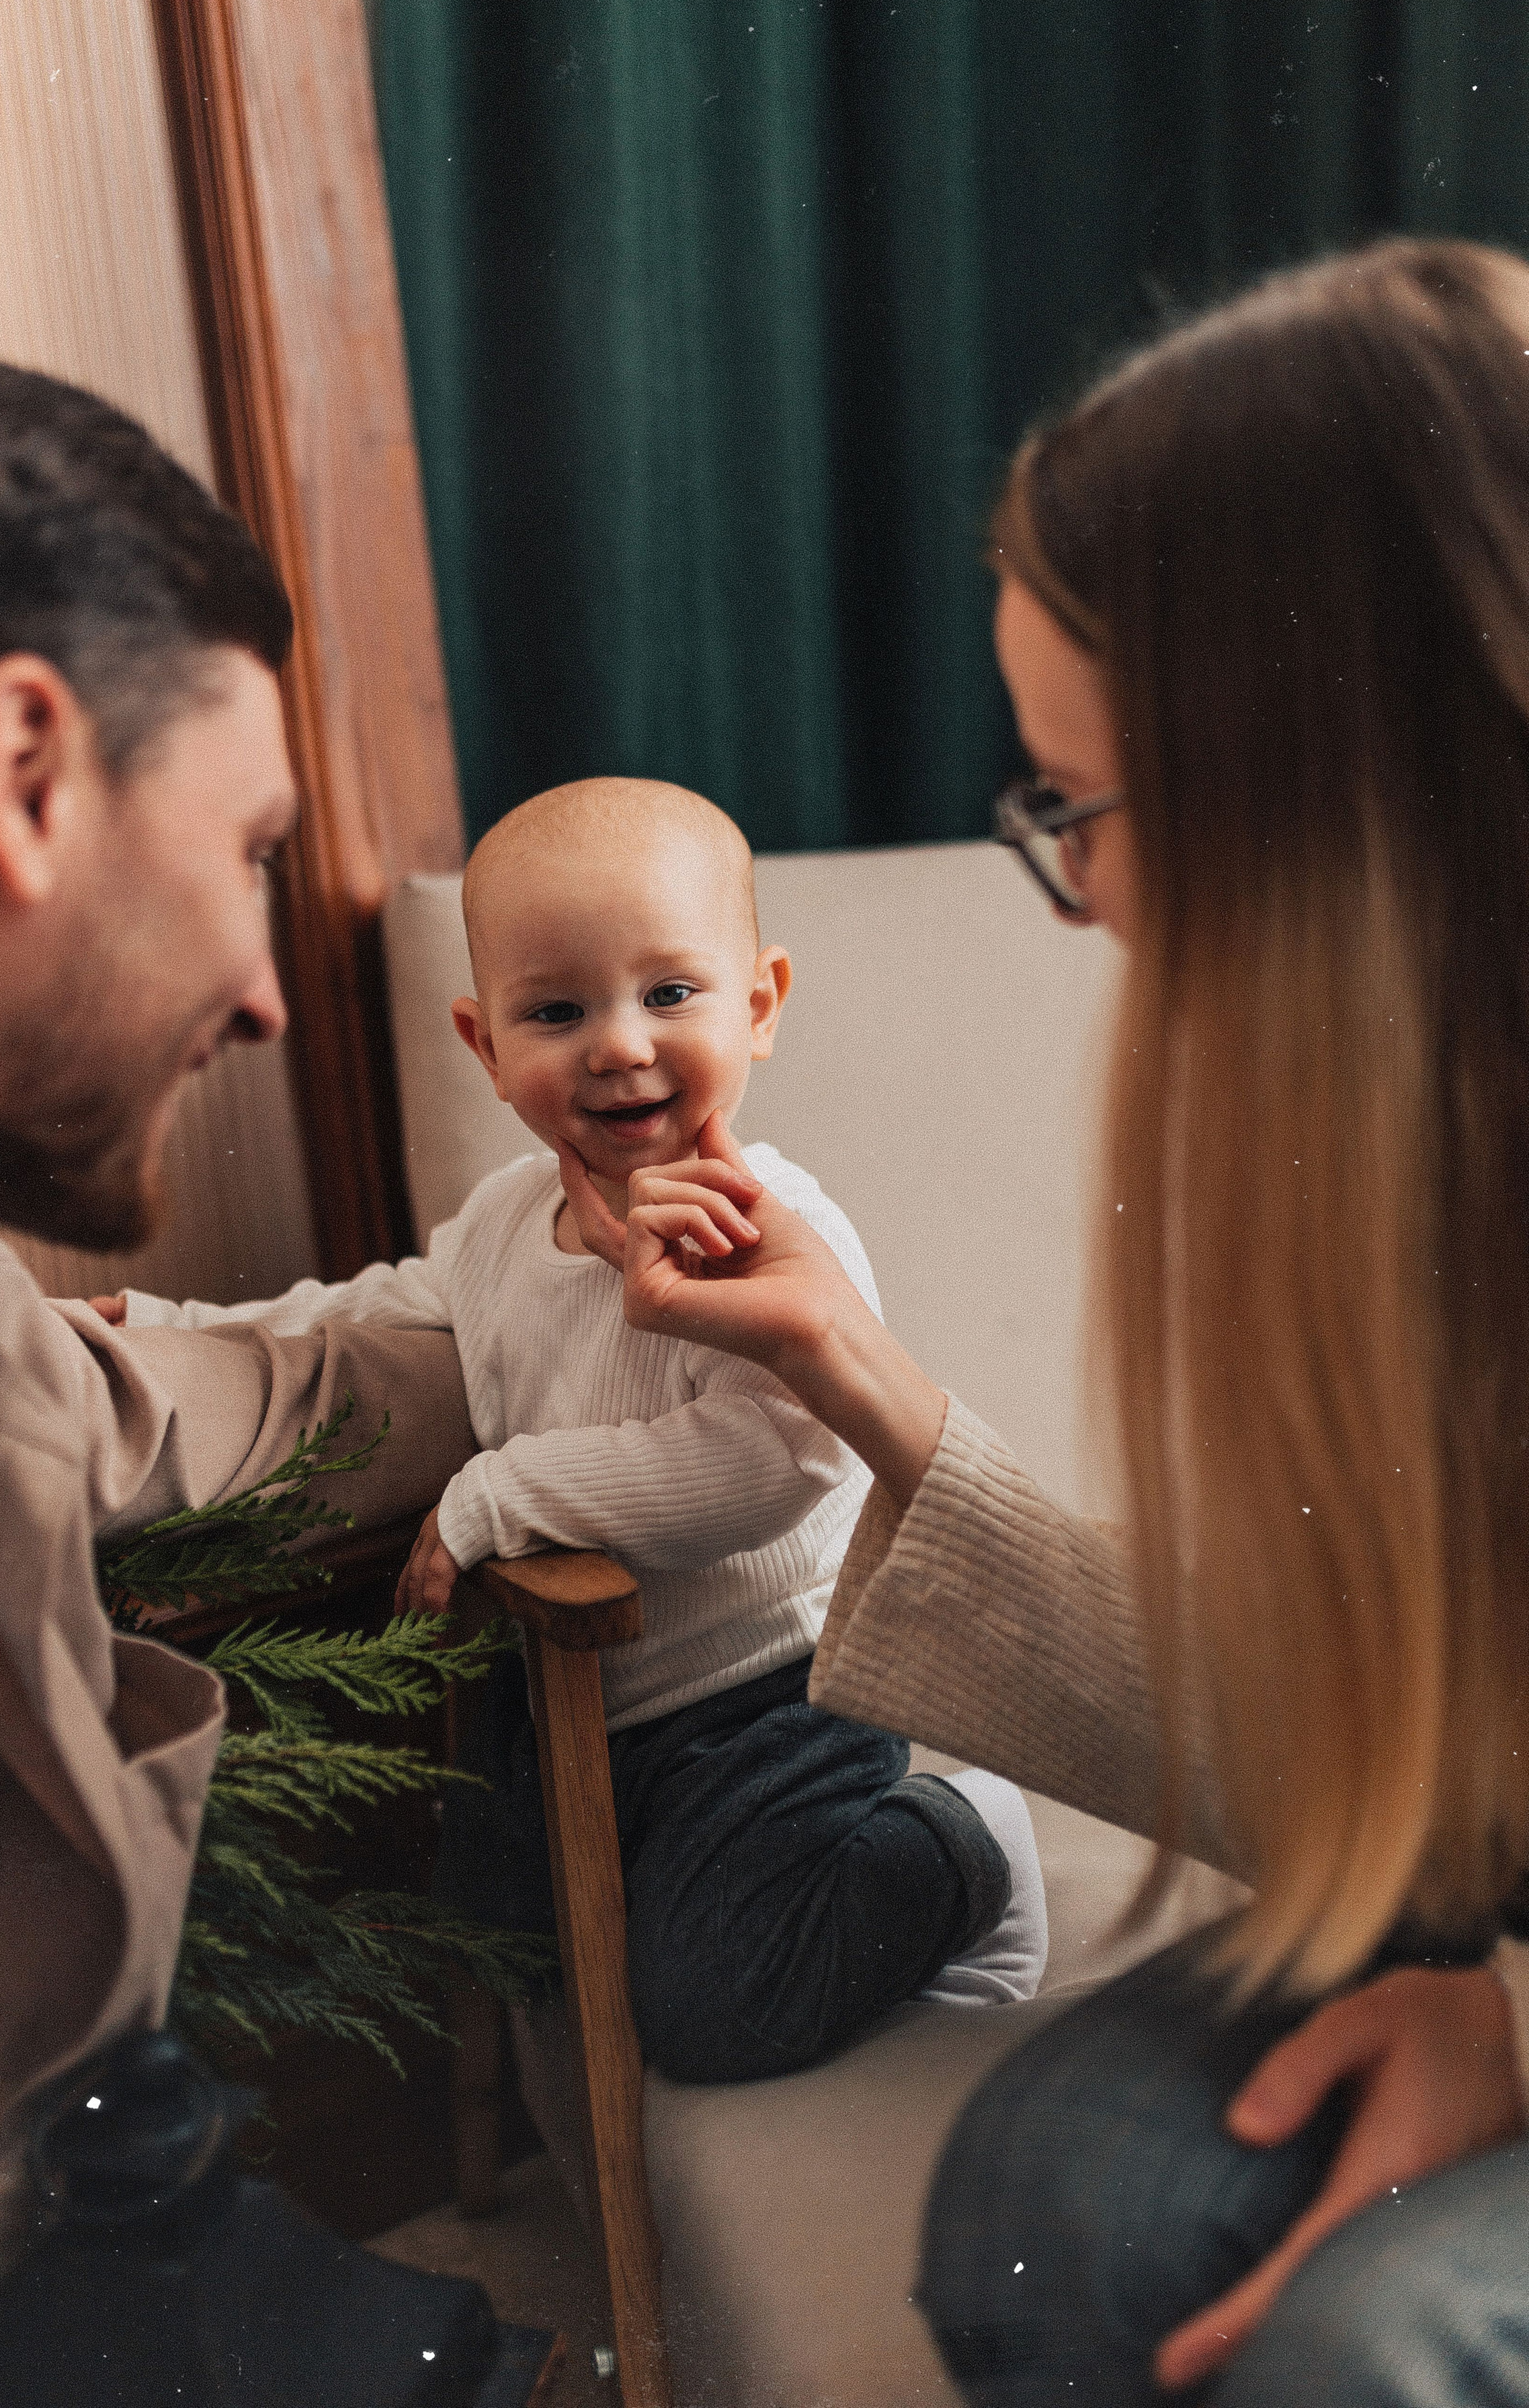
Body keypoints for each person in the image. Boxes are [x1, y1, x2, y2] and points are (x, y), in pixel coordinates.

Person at [557, 240, 1529, 2403]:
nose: (1077, 893)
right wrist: (867, 1394)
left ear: (1341, 781)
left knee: (1371, 2346)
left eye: (1085, 805)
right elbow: (1377, 1765)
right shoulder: (1408, 1174)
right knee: (1050, 2209)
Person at [0, 349, 476, 2408]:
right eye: (256, 843)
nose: (277, 991)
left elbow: (199, 1402)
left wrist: (573, 1313)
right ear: (28, 769)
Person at [97, 776, 1048, 2085]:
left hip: (778, 1690)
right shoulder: (498, 1224)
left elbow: (773, 1465)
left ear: (758, 1005)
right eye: (556, 1011)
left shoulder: (767, 1230)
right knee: (506, 1939)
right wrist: (163, 1320)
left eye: (669, 994)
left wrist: (501, 1493)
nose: (615, 1046)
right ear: (484, 1047)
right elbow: (363, 1308)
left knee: (707, 2010)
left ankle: (964, 1842)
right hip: (585, 1701)